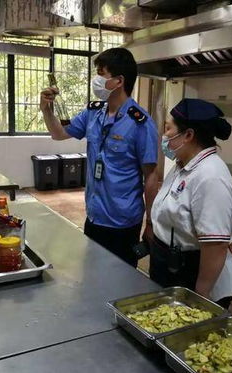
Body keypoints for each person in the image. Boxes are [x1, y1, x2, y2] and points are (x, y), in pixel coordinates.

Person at [39, 48, 159, 268]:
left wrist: (150, 223)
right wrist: (47, 109)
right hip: (94, 216)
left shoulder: (140, 123)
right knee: (92, 278)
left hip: (122, 222)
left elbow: (151, 177)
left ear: (118, 81)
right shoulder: (93, 113)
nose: (96, 79)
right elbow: (59, 134)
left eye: (101, 73)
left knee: (119, 284)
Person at [150, 98, 232, 308]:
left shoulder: (210, 176)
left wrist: (201, 295)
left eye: (168, 129)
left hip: (194, 274)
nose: (164, 136)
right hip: (172, 266)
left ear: (188, 135)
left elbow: (216, 245)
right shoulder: (184, 165)